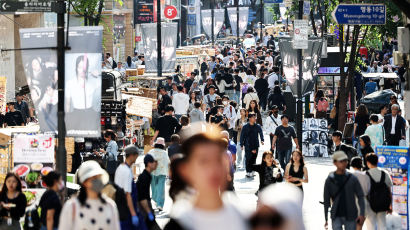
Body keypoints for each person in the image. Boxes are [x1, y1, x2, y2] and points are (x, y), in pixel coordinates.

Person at [164, 125, 247, 230]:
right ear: (186, 169)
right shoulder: (180, 223)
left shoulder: (243, 217)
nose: (213, 169)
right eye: (204, 161)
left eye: (218, 159)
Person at [59, 161, 120, 230]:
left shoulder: (110, 205)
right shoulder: (72, 206)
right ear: (84, 182)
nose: (97, 181)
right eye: (93, 178)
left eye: (99, 177)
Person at [323, 151, 365, 230]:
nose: (344, 163)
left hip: (351, 214)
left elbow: (360, 196)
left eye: (345, 160)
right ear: (335, 163)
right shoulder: (330, 180)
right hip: (336, 214)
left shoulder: (352, 178)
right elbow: (326, 199)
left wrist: (362, 214)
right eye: (341, 161)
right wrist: (326, 219)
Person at [114, 145, 140, 229]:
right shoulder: (127, 171)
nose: (136, 158)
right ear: (132, 155)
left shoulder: (120, 168)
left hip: (120, 205)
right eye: (136, 156)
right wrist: (133, 214)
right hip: (127, 209)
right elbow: (128, 194)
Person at [364, 153, 393, 230]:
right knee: (382, 226)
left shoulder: (365, 175)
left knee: (370, 227)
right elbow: (389, 191)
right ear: (377, 162)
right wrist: (390, 205)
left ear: (367, 163)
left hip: (369, 205)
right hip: (383, 204)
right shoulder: (385, 173)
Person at [137, 154, 159, 229]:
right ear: (149, 164)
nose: (156, 164)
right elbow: (142, 197)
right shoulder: (144, 177)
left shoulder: (147, 175)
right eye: (153, 162)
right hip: (143, 209)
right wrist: (149, 212)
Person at [148, 138, 170, 212]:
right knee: (161, 188)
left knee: (154, 188)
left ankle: (156, 200)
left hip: (152, 172)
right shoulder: (164, 153)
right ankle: (160, 204)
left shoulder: (151, 151)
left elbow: (147, 160)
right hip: (162, 172)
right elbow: (167, 162)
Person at [240, 113, 264, 178]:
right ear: (250, 118)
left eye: (255, 117)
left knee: (254, 158)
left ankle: (252, 171)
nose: (255, 119)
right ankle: (248, 171)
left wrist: (262, 140)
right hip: (247, 144)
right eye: (253, 117)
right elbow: (242, 136)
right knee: (248, 158)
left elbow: (261, 133)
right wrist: (241, 144)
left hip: (255, 144)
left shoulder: (258, 126)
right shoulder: (245, 127)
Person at [350, 157, 371, 230]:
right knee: (359, 226)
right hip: (363, 205)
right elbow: (369, 191)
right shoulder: (366, 176)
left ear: (352, 165)